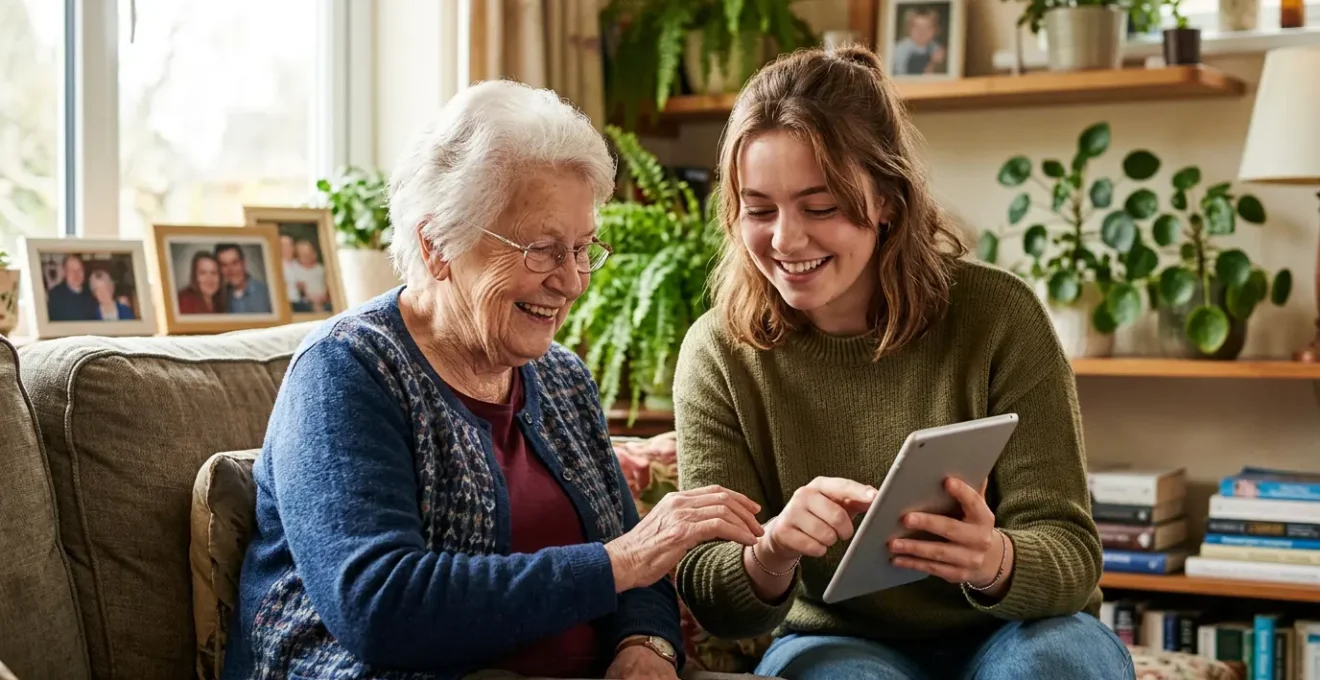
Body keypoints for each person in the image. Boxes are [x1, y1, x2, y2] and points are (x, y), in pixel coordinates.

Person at [222, 79, 764, 680]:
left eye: (583, 248)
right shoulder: (347, 371)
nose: (573, 281)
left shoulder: (560, 378)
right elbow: (381, 607)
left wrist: (645, 646)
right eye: (542, 249)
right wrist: (618, 563)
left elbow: (638, 565)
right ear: (437, 245)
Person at [672, 46, 1134, 680]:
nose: (785, 239)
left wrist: (995, 560)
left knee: (1052, 665)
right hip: (837, 640)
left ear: (886, 200)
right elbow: (713, 597)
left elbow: (1072, 549)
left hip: (1020, 630)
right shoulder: (720, 353)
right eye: (759, 210)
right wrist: (771, 550)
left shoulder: (997, 315)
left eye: (821, 207)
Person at [216, 243, 273, 314]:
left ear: (243, 263)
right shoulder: (219, 299)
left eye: (235, 263)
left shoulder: (267, 293)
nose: (231, 270)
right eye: (224, 265)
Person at [891, 8, 946, 76]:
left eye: (927, 28)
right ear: (909, 29)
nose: (921, 32)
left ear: (935, 30)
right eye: (916, 27)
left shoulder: (937, 49)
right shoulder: (898, 49)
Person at [45, 254, 97, 322]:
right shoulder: (55, 295)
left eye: (79, 269)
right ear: (65, 273)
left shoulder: (92, 293)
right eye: (71, 270)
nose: (76, 274)